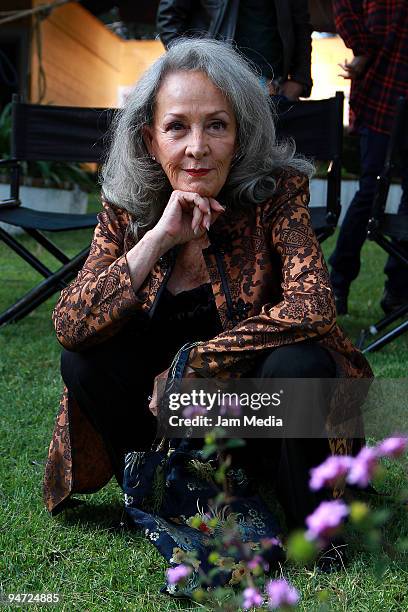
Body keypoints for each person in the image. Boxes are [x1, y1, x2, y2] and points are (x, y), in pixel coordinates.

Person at [43, 39, 372, 582]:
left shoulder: (277, 193)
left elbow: (314, 306)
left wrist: (196, 364)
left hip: (253, 418)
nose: (197, 147)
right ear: (151, 140)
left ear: (239, 135)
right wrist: (157, 240)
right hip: (166, 423)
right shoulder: (127, 205)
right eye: (177, 127)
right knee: (85, 360)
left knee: (301, 364)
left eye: (216, 125)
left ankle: (312, 524)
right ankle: (159, 488)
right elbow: (70, 324)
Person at [329, 0, 408, 315]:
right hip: (381, 94)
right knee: (371, 191)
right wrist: (361, 48)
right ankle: (337, 285)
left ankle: (398, 290)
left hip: (389, 87)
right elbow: (343, 7)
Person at [156, 0, 313, 100]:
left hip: (274, 88)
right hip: (218, 82)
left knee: (271, 150)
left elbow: (301, 25)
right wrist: (196, 73)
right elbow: (169, 22)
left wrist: (299, 80)